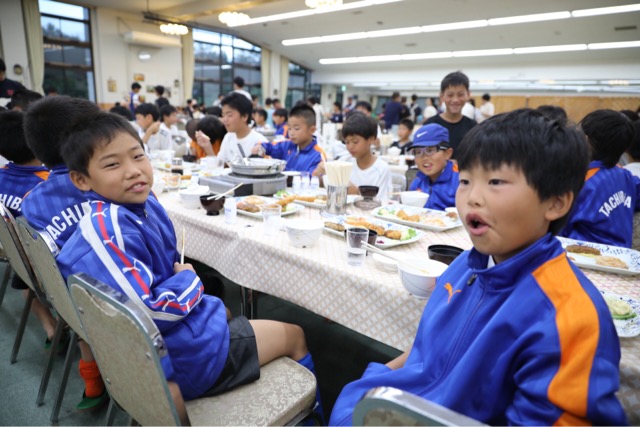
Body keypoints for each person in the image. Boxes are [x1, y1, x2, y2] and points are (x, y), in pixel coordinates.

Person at [330, 108, 627, 426]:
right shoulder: (464, 266)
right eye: (466, 180)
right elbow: (424, 352)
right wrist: (374, 384)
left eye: (495, 181)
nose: (472, 197)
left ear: (555, 202)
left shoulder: (570, 319)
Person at [55, 111, 321, 417]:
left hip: (171, 343)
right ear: (81, 179)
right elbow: (148, 313)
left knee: (224, 309)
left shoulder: (138, 204)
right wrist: (190, 279)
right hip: (180, 358)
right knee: (295, 334)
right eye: (113, 164)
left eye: (138, 156)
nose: (133, 171)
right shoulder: (109, 229)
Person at [21, 95, 107, 410]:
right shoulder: (105, 187)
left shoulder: (31, 202)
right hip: (120, 304)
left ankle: (92, 380)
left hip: (68, 301)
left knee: (78, 283)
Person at [0, 111, 58, 354]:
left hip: (17, 257)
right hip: (46, 263)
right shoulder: (48, 183)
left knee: (25, 280)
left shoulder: (1, 174)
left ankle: (49, 326)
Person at [560, 109, 640, 248]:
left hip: (582, 255)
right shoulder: (625, 176)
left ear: (585, 140)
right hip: (623, 257)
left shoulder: (579, 182)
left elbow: (558, 227)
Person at [252, 104, 326, 175]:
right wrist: (260, 147)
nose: (291, 133)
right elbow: (270, 147)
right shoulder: (286, 145)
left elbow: (314, 178)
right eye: (289, 128)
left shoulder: (318, 155)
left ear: (312, 130)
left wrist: (317, 174)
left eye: (296, 128)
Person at [332, 112, 391, 195]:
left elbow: (382, 201)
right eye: (347, 142)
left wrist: (357, 192)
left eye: (355, 142)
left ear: (371, 139)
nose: (350, 147)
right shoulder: (344, 162)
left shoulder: (381, 169)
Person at [424, 71, 476, 158]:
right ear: (442, 96)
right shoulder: (430, 125)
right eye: (450, 95)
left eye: (460, 95)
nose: (455, 100)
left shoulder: (473, 128)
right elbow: (424, 156)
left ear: (468, 95)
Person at [406, 123, 458, 210]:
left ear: (447, 153)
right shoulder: (418, 182)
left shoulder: (460, 182)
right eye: (418, 152)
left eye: (430, 150)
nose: (424, 157)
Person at [217, 92, 267, 164]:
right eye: (223, 115)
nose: (225, 119)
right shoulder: (228, 137)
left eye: (229, 115)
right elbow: (219, 164)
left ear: (244, 116)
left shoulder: (260, 142)